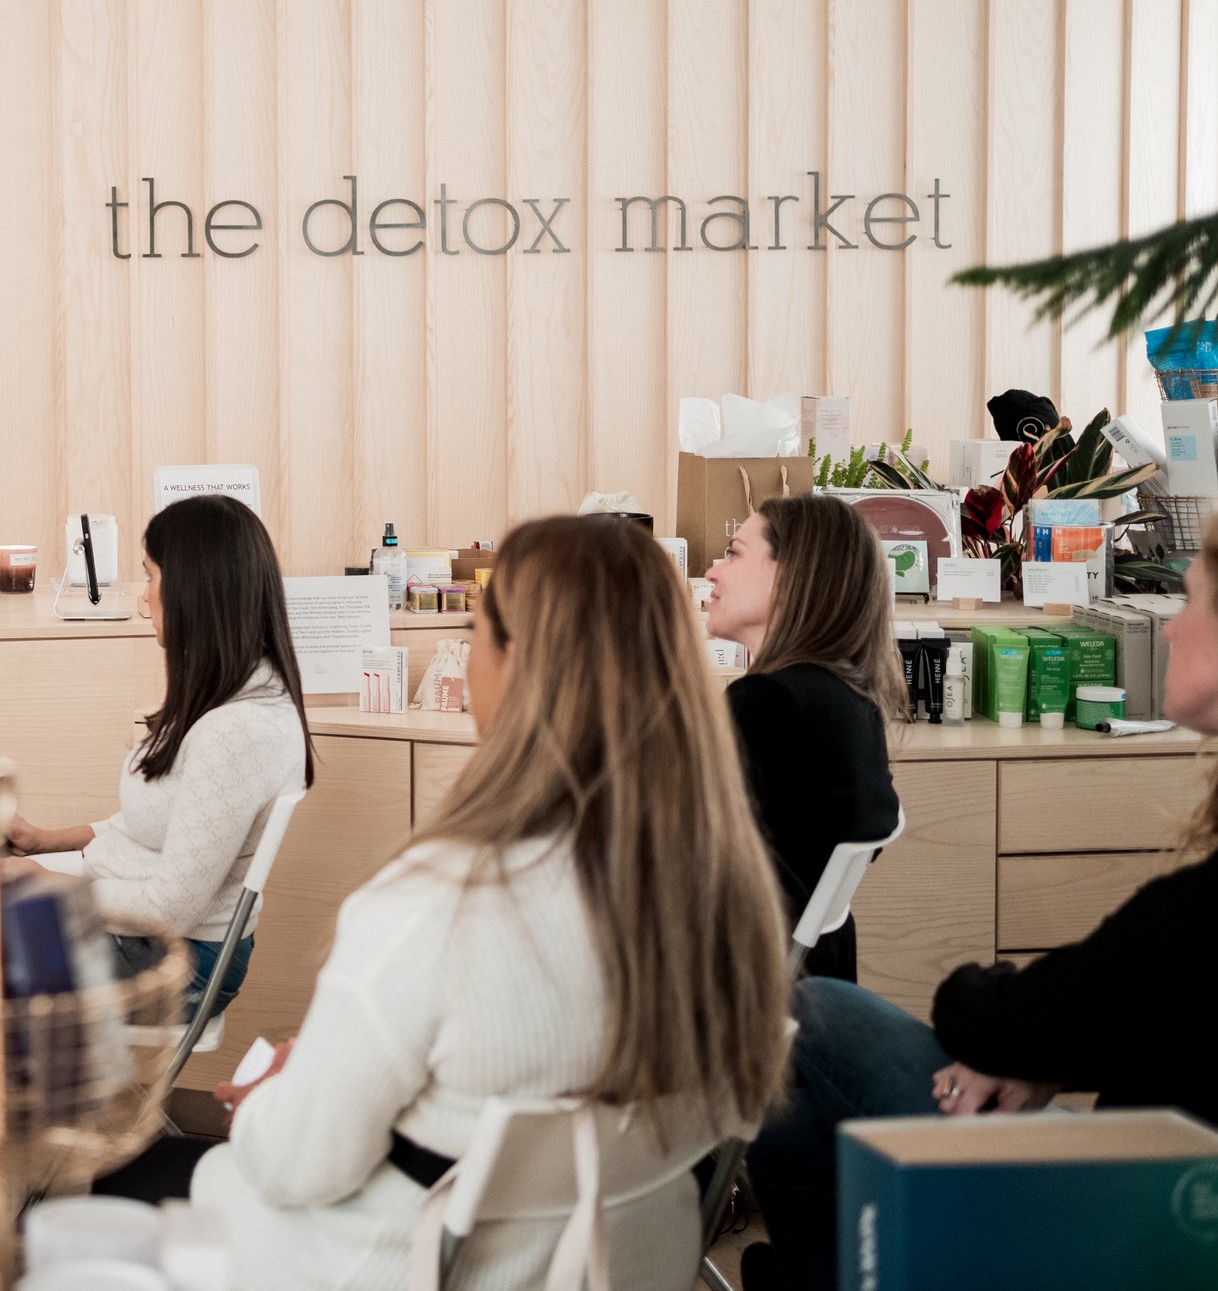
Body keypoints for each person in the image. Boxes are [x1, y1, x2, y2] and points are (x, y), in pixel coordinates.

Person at [108, 516, 791, 1291]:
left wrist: (276, 1098)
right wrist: (337, 1064)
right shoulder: (730, 900)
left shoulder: (437, 903)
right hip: (607, 1266)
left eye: (478, 631)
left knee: (128, 1195)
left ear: (518, 664)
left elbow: (299, 1163)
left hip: (389, 1264)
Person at [740, 508, 1218, 1291]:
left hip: (1139, 1215)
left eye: (1193, 602)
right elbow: (1114, 1012)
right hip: (1162, 1181)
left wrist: (1035, 1045)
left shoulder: (1213, 906)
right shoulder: (843, 703)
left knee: (814, 1021)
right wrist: (1047, 1052)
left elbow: (989, 1009)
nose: (1169, 630)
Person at [4, 494, 313, 1018]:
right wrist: (44, 842)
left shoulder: (237, 731)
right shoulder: (230, 696)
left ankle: (48, 1097)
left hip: (172, 957)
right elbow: (169, 824)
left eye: (149, 577)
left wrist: (47, 886)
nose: (145, 599)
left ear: (193, 589)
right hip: (141, 935)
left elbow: (170, 909)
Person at [705, 494, 905, 981]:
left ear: (790, 576)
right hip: (815, 984)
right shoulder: (848, 699)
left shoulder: (769, 704)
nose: (712, 572)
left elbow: (679, 860)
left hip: (743, 993)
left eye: (732, 552)